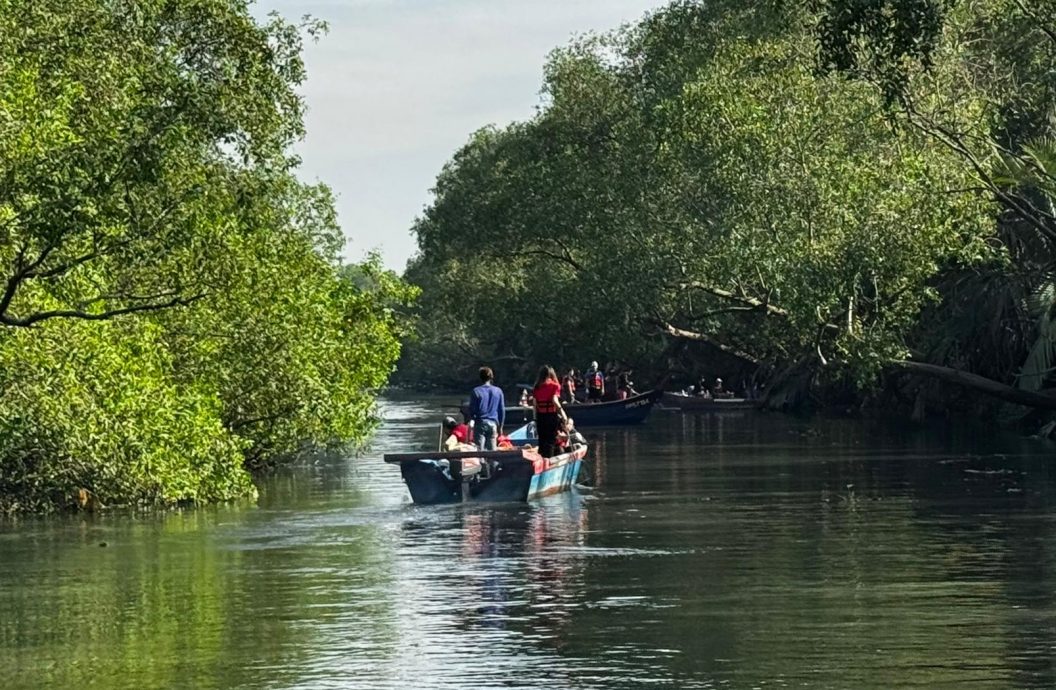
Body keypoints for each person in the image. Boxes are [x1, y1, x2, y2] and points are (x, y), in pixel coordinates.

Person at [532, 365, 567, 458]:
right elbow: (554, 400)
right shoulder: (555, 386)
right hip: (551, 416)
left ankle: (542, 460)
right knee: (551, 440)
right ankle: (549, 461)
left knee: (542, 441)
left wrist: (535, 419)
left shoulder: (536, 387)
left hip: (540, 417)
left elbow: (535, 405)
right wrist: (563, 415)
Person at [469, 366, 505, 450]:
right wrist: (501, 427)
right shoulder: (498, 391)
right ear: (491, 377)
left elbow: (472, 410)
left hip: (480, 423)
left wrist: (472, 419)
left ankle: (481, 462)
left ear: (480, 377)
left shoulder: (476, 391)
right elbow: (501, 411)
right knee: (492, 453)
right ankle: (492, 463)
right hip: (493, 424)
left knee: (479, 452)